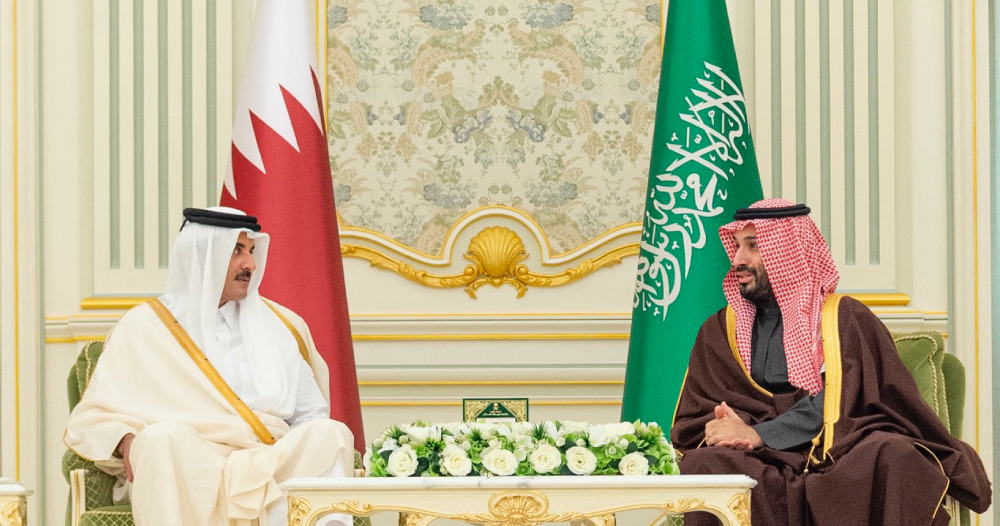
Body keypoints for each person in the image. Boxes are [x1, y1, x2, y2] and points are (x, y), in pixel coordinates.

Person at [671, 198, 991, 525]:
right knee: (704, 465)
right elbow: (703, 407)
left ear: (789, 253)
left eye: (753, 246)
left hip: (840, 445)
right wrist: (730, 427)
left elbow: (854, 396)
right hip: (759, 457)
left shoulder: (845, 318)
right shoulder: (719, 330)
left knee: (893, 454)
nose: (738, 259)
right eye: (737, 246)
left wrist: (763, 433)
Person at [65, 207, 354, 526]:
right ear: (201, 255)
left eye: (252, 251)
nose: (250, 264)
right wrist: (126, 441)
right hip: (189, 465)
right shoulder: (145, 326)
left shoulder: (281, 326)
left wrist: (294, 450)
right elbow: (93, 417)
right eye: (236, 251)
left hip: (268, 462)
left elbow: (311, 415)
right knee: (161, 438)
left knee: (331, 434)